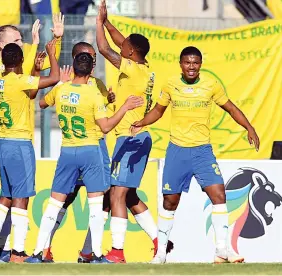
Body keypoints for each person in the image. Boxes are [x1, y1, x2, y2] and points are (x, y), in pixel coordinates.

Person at [130, 46, 260, 264]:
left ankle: (222, 250)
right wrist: (142, 122)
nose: (191, 66)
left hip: (202, 151)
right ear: (180, 64)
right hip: (177, 151)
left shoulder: (211, 84)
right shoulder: (171, 84)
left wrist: (249, 127)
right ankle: (160, 253)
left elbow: (231, 108)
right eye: (187, 62)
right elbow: (158, 111)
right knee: (170, 202)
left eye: (195, 63)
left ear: (200, 64)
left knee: (219, 194)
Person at [25, 52, 144, 264]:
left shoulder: (61, 88)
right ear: (90, 71)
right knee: (96, 205)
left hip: (68, 151)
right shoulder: (93, 94)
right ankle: (97, 254)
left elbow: (42, 103)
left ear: (73, 67)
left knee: (54, 204)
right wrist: (124, 107)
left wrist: (60, 83)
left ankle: (36, 252)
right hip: (90, 151)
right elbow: (106, 126)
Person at [0, 13, 65, 263]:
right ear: (1, 46)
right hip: (14, 140)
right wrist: (38, 46)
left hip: (6, 140)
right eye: (16, 41)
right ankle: (17, 251)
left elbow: (34, 78)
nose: (21, 43)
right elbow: (43, 76)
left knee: (7, 195)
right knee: (21, 195)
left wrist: (55, 42)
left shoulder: (7, 74)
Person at [96, 0, 166, 263]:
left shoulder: (131, 69)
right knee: (130, 194)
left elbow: (103, 47)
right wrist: (107, 21)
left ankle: (117, 252)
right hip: (135, 138)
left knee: (117, 193)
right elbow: (121, 41)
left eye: (124, 48)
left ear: (131, 53)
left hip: (131, 137)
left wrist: (97, 24)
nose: (120, 47)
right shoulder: (143, 66)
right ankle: (160, 240)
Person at [40, 41, 115, 263]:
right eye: (87, 57)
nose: (91, 60)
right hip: (86, 148)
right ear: (75, 60)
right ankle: (45, 248)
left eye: (93, 56)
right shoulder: (68, 87)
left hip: (96, 147)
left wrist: (110, 99)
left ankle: (88, 251)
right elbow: (104, 123)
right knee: (67, 199)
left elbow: (102, 109)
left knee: (103, 199)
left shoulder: (98, 85)